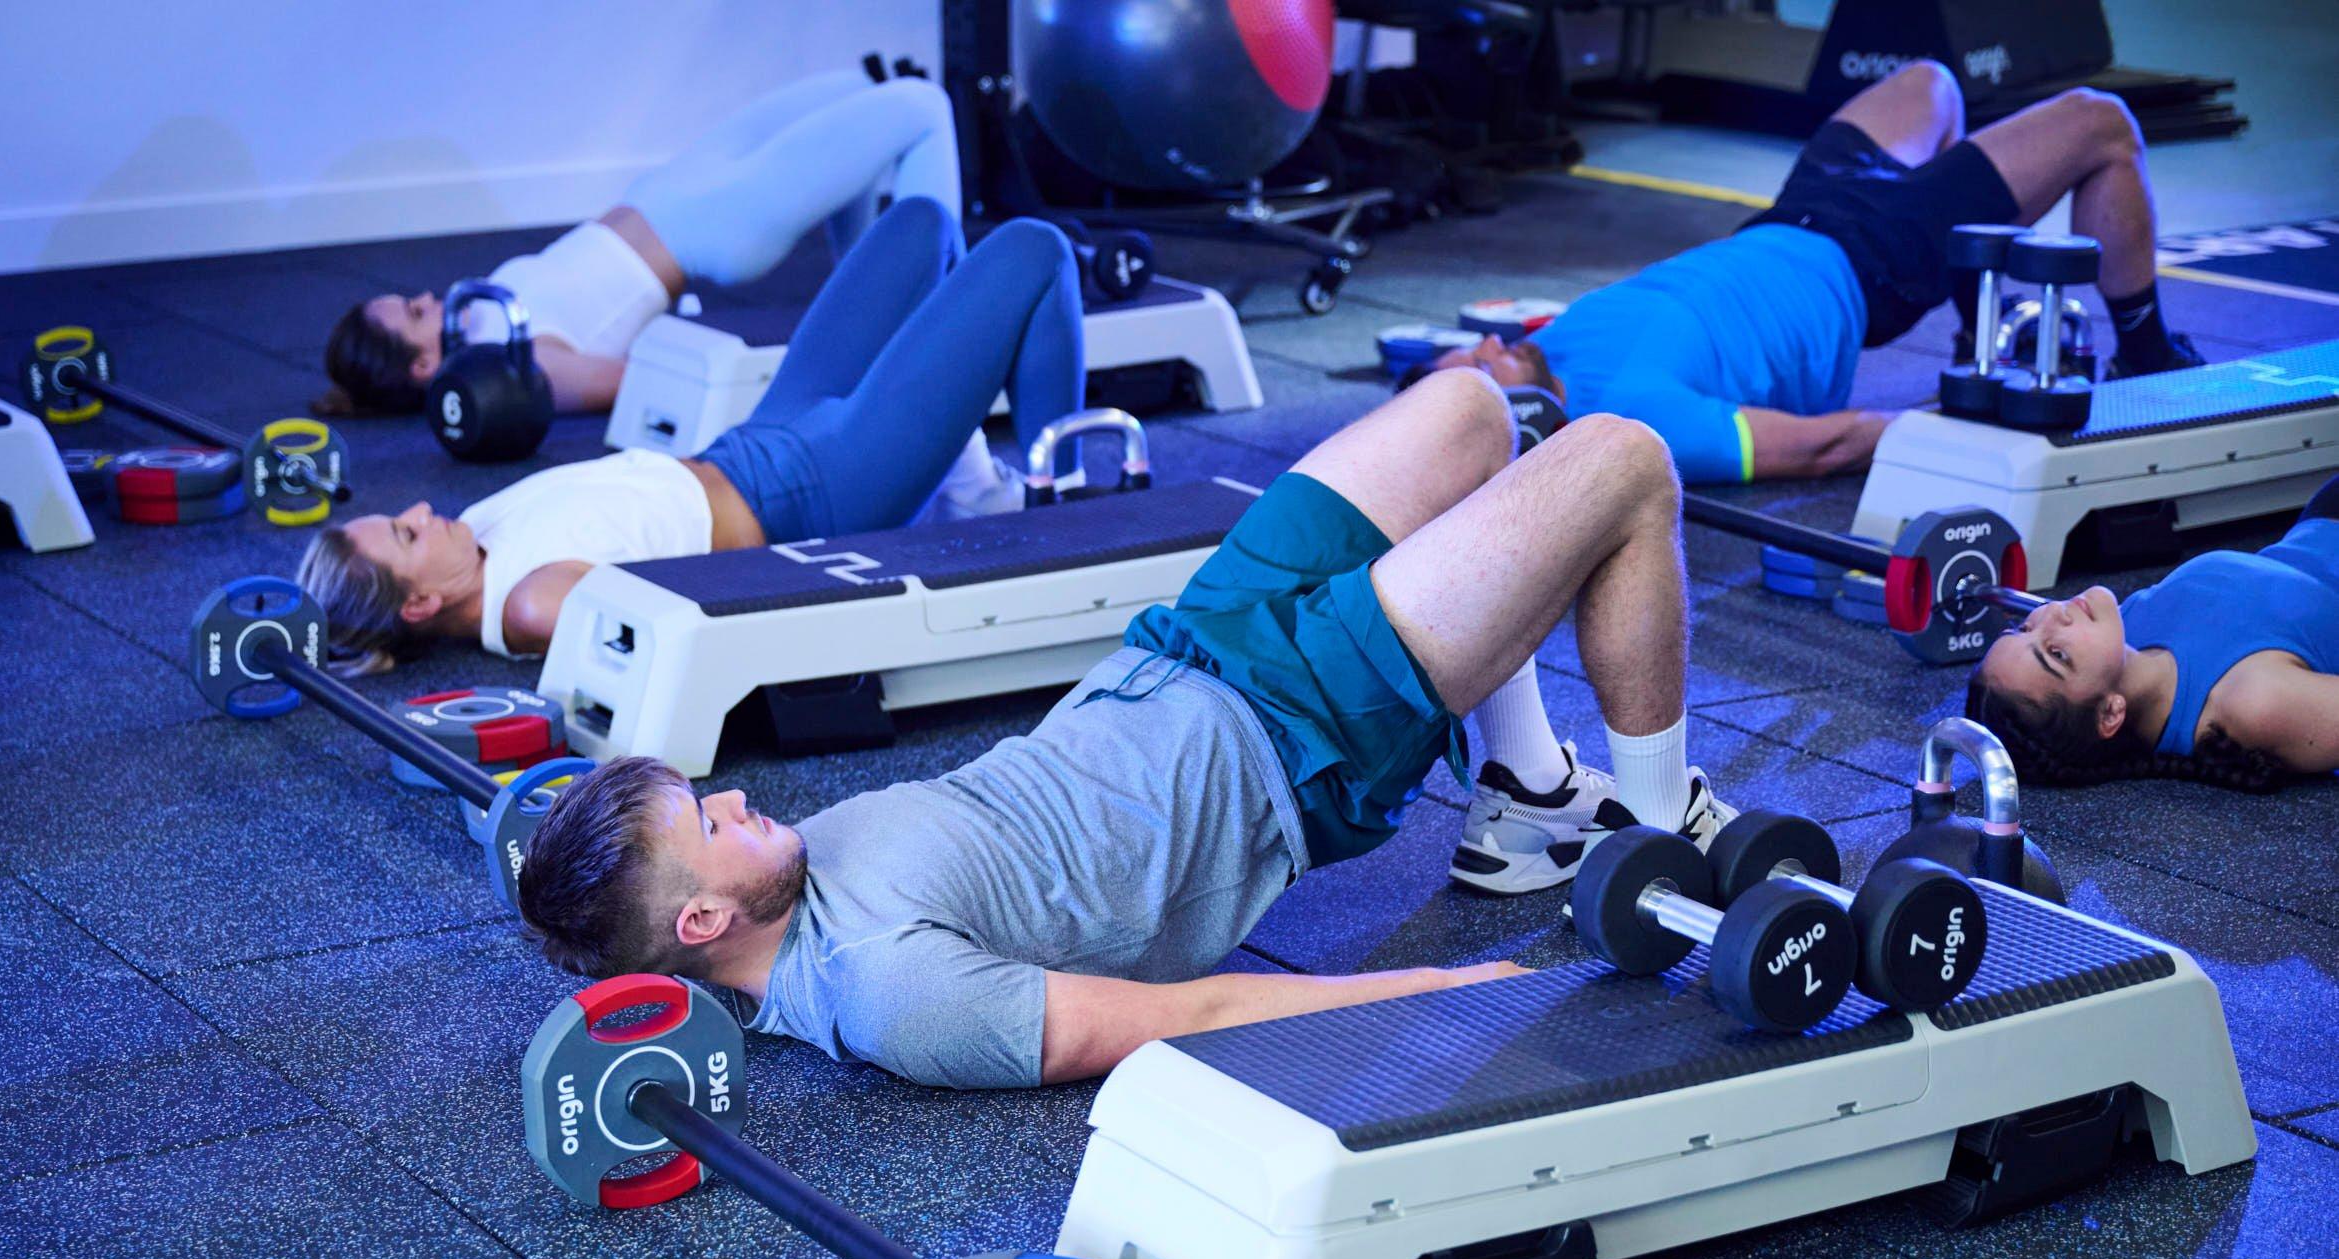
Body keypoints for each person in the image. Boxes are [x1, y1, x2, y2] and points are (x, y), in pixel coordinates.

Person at [511, 370, 1741, 1090]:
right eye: (708, 820)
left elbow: (602, 910)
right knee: (1619, 461)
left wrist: (573, 887)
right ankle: (1659, 827)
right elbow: (1188, 1019)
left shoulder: (773, 881)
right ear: (703, 923)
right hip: (1296, 732)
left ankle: (1527, 790)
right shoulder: (889, 992)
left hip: (1186, 644)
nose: (734, 798)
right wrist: (1455, 988)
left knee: (1472, 410)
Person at [296, 198, 1078, 671]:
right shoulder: (531, 604)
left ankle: (970, 495)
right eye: (405, 534)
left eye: (403, 515)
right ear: (422, 603)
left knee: (921, 224)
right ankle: (1083, 514)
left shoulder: (477, 535)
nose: (422, 510)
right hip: (819, 494)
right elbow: (692, 634)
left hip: (759, 437)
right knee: (1033, 250)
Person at [1434, 61, 2201, 486]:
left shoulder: (1548, 347)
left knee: (1929, 82)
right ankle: (2145, 353)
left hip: (1799, 209)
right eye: (1478, 368)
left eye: (1469, 349)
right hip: (1877, 261)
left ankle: (1976, 324)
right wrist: (1962, 421)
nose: (1486, 345)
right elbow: (1823, 446)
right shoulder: (1632, 423)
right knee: (2102, 122)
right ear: (1517, 424)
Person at [320, 68, 961, 416]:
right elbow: (650, 385)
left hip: (672, 187)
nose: (425, 298)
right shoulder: (517, 367)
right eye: (413, 314)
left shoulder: (481, 313)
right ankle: (945, 327)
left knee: (852, 88)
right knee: (921, 104)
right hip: (714, 226)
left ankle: (879, 302)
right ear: (422, 366)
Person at [1966, 479, 2339, 791]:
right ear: (2110, 712)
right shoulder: (2249, 705)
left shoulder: (2123, 631)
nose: (2051, 613)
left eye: (2024, 628)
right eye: (2056, 654)